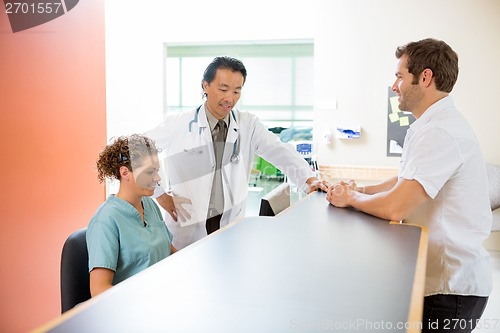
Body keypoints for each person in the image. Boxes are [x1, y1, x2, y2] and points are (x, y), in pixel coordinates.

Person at [326, 38, 492, 332]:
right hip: (443, 282)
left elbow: (396, 205)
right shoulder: (431, 125)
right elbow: (405, 181)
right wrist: (360, 191)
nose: (394, 86)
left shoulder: (441, 131)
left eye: (399, 77)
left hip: (450, 288)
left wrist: (350, 198)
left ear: (425, 77)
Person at [147, 56, 329, 249]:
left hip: (229, 231)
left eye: (237, 91)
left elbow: (279, 150)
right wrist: (159, 193)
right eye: (223, 89)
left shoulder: (248, 124)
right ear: (205, 86)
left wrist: (309, 180)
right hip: (186, 234)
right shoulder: (179, 124)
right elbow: (136, 149)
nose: (230, 98)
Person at [87, 134, 176, 297]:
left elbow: (168, 251)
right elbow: (99, 290)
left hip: (163, 299)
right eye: (150, 172)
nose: (157, 178)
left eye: (156, 171)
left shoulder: (149, 204)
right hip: (132, 310)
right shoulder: (106, 221)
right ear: (125, 173)